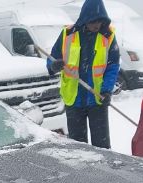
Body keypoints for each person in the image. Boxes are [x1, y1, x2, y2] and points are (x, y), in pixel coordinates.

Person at [47, 0, 120, 149]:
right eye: (93, 21)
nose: (96, 25)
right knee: (78, 148)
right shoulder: (67, 34)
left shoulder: (108, 36)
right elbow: (52, 59)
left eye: (100, 21)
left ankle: (103, 172)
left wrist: (107, 89)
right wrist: (54, 65)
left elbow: (113, 65)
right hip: (74, 100)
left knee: (102, 147)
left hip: (97, 98)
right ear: (85, 18)